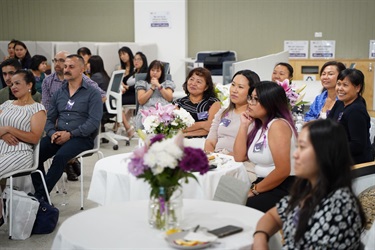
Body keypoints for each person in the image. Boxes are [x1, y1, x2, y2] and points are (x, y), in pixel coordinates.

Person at [253, 119, 366, 249]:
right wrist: (260, 236)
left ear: (324, 153)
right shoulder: (310, 189)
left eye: (302, 147)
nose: (295, 155)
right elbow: (272, 216)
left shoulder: (339, 206)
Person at [31, 54, 103, 200]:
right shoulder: (59, 92)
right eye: (65, 66)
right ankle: (43, 193)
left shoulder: (93, 93)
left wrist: (70, 135)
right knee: (33, 156)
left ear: (82, 69)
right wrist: (51, 133)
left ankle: (39, 197)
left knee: (60, 157)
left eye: (71, 66)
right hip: (58, 135)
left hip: (82, 137)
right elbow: (49, 118)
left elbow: (93, 122)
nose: (66, 69)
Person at [233, 81, 297, 212]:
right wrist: (244, 125)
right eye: (250, 97)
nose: (250, 102)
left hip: (283, 187)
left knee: (237, 207)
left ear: (270, 103)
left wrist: (254, 190)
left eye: (256, 99)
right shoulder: (261, 126)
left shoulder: (278, 125)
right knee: (225, 196)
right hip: (264, 182)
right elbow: (239, 157)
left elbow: (283, 170)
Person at [0, 69, 47, 226]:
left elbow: (34, 137)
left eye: (17, 83)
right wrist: (3, 134)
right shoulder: (6, 104)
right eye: (12, 84)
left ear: (29, 85)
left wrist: (9, 129)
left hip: (20, 152)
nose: (13, 86)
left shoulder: (37, 109)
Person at [204, 70, 260, 154]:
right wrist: (213, 159)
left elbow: (253, 151)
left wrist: (226, 158)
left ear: (252, 92)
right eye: (233, 85)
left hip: (239, 161)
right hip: (217, 158)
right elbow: (210, 141)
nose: (234, 90)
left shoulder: (255, 117)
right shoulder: (222, 112)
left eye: (240, 87)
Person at [328, 68, 372, 164]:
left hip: (354, 164)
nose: (340, 88)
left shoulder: (356, 111)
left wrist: (332, 148)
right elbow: (327, 125)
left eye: (345, 85)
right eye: (338, 84)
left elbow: (357, 145)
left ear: (357, 88)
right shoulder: (340, 103)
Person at [175, 67, 220, 138]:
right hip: (181, 140)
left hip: (205, 141)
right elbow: (176, 127)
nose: (193, 83)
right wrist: (203, 124)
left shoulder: (213, 103)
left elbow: (211, 128)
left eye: (198, 82)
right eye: (191, 79)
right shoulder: (178, 103)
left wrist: (185, 134)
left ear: (206, 87)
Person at [134, 60, 175, 130]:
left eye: (158, 71)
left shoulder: (167, 83)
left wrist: (159, 86)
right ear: (149, 71)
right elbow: (141, 100)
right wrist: (152, 88)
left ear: (162, 73)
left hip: (163, 111)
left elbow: (169, 98)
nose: (155, 73)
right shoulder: (142, 83)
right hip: (147, 111)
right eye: (152, 70)